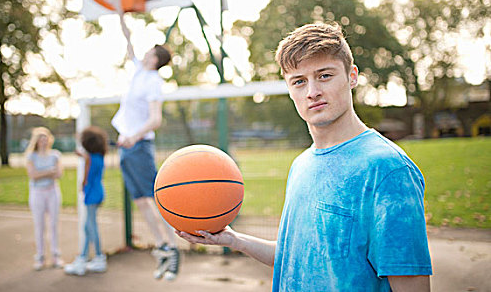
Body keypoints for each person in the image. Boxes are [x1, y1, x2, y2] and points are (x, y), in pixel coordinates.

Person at [178, 22, 433, 291]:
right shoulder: (302, 164)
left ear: (352, 76)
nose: (312, 92)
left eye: (324, 75)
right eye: (299, 81)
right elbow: (297, 259)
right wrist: (234, 240)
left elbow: (411, 284)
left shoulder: (387, 169)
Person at [110, 0, 180, 281]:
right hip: (127, 145)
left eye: (150, 51)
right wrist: (118, 9)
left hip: (138, 145)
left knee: (155, 197)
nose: (145, 52)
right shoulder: (139, 72)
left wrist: (132, 136)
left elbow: (155, 120)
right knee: (140, 200)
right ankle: (162, 246)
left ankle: (175, 248)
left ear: (154, 58)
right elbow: (127, 39)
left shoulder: (153, 81)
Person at [64, 126, 108, 276]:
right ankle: (86, 257)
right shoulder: (99, 156)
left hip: (92, 194)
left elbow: (85, 178)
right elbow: (87, 158)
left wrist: (82, 186)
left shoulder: (90, 158)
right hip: (98, 192)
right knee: (87, 226)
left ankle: (93, 257)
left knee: (90, 227)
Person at [25, 127, 64, 270]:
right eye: (40, 138)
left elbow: (59, 174)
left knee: (53, 225)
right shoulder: (31, 156)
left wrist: (42, 173)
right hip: (37, 193)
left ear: (49, 139)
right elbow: (33, 175)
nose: (43, 140)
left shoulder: (55, 155)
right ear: (36, 141)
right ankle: (40, 256)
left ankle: (56, 255)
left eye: (45, 138)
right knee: (39, 225)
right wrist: (49, 171)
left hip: (52, 192)